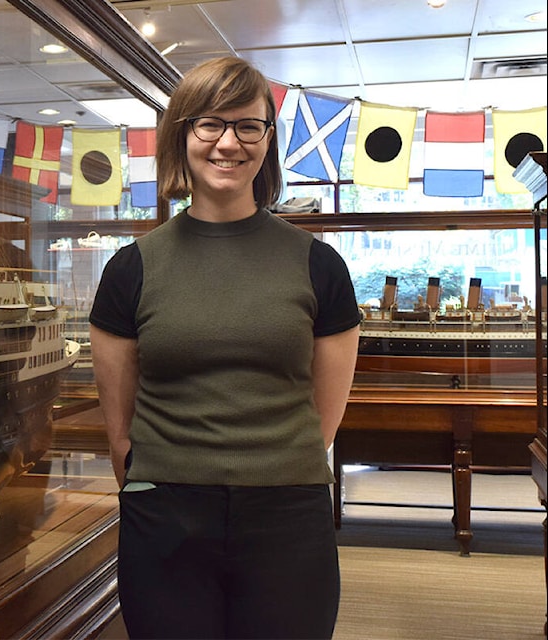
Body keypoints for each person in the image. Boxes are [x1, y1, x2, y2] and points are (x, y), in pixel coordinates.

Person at [88, 56, 361, 639]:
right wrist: (151, 489)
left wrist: (272, 471)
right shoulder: (131, 269)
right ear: (182, 134)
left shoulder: (319, 265)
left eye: (248, 126)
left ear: (268, 139)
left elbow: (324, 419)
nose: (228, 143)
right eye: (209, 124)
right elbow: (120, 431)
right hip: (165, 517)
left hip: (289, 516)